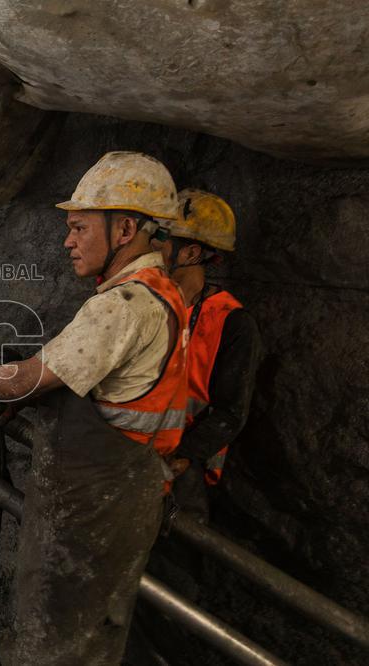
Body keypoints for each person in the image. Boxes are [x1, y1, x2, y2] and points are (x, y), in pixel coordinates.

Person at [0, 151, 189, 665]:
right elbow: (104, 397)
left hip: (94, 507)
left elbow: (35, 377)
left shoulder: (122, 306)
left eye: (78, 227)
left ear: (124, 229)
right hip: (124, 492)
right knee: (91, 637)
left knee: (59, 639)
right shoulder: (160, 294)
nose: (67, 241)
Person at [153, 189, 262, 522]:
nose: (152, 245)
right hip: (131, 448)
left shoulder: (232, 322)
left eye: (161, 237)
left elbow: (230, 411)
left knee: (172, 556)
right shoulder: (145, 300)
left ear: (190, 253)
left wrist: (184, 455)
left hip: (183, 465)